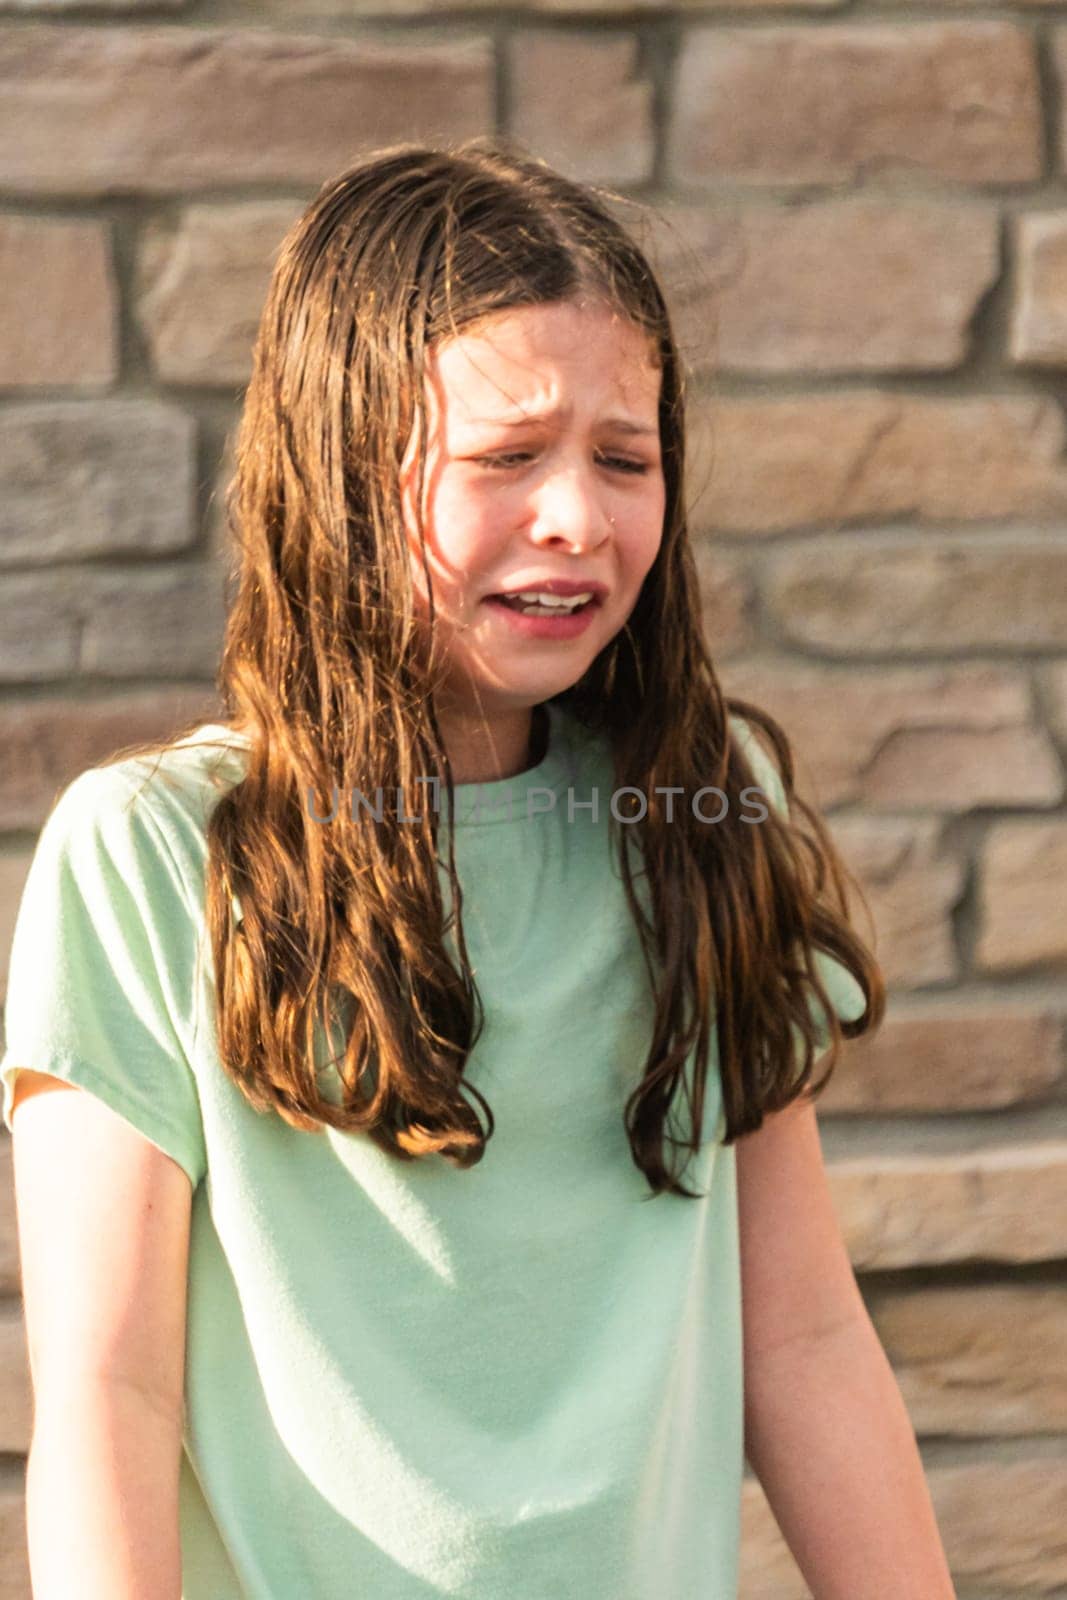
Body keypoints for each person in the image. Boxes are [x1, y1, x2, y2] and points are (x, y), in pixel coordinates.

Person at [0, 136, 956, 1599]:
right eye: (508, 458)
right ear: (339, 476)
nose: (578, 514)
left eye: (625, 459)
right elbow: (108, 1392)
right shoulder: (144, 860)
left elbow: (804, 1340)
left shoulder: (703, 816)